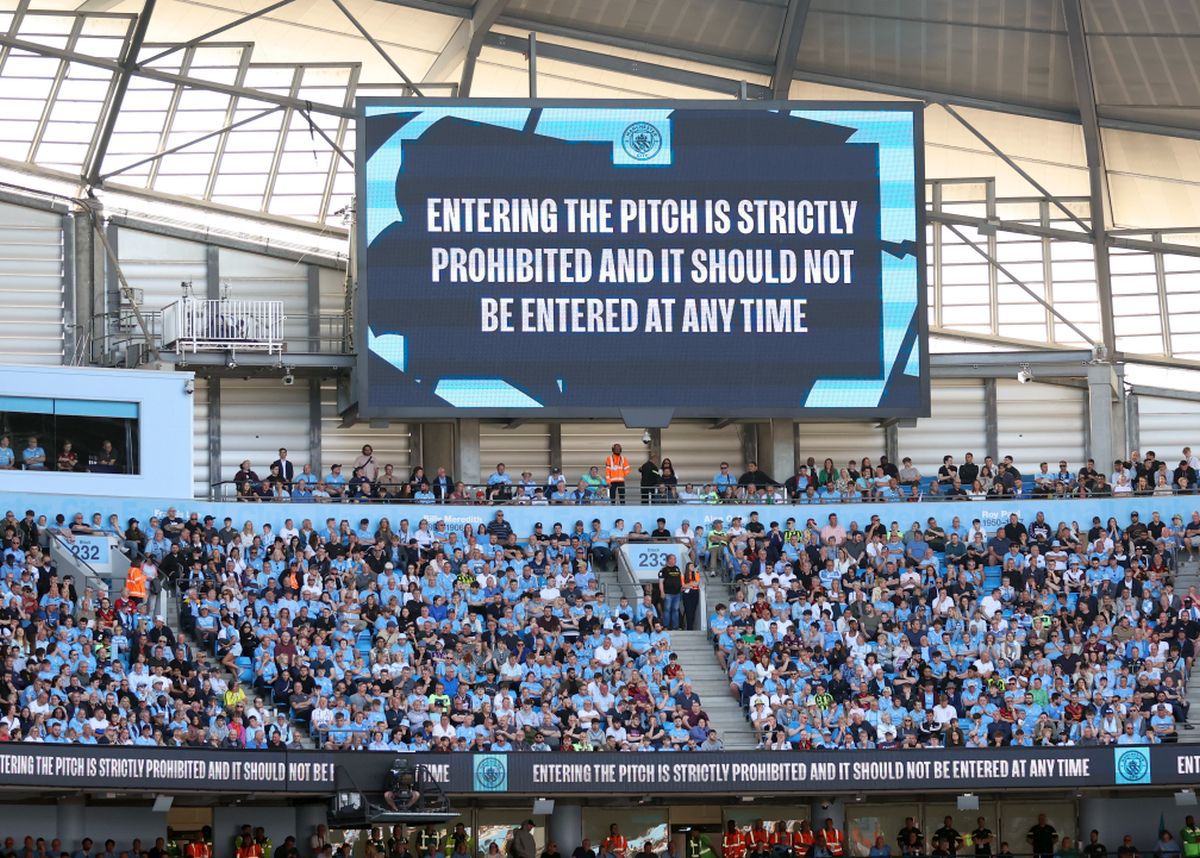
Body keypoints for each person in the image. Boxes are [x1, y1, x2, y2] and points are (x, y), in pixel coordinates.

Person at [658, 554, 683, 630]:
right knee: (667, 610)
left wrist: (681, 587)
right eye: (673, 559)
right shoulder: (663, 570)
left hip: (677, 593)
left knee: (675, 610)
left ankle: (675, 627)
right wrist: (662, 592)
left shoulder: (677, 569)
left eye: (675, 559)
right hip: (668, 593)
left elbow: (680, 580)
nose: (675, 560)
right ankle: (666, 626)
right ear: (668, 560)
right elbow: (661, 582)